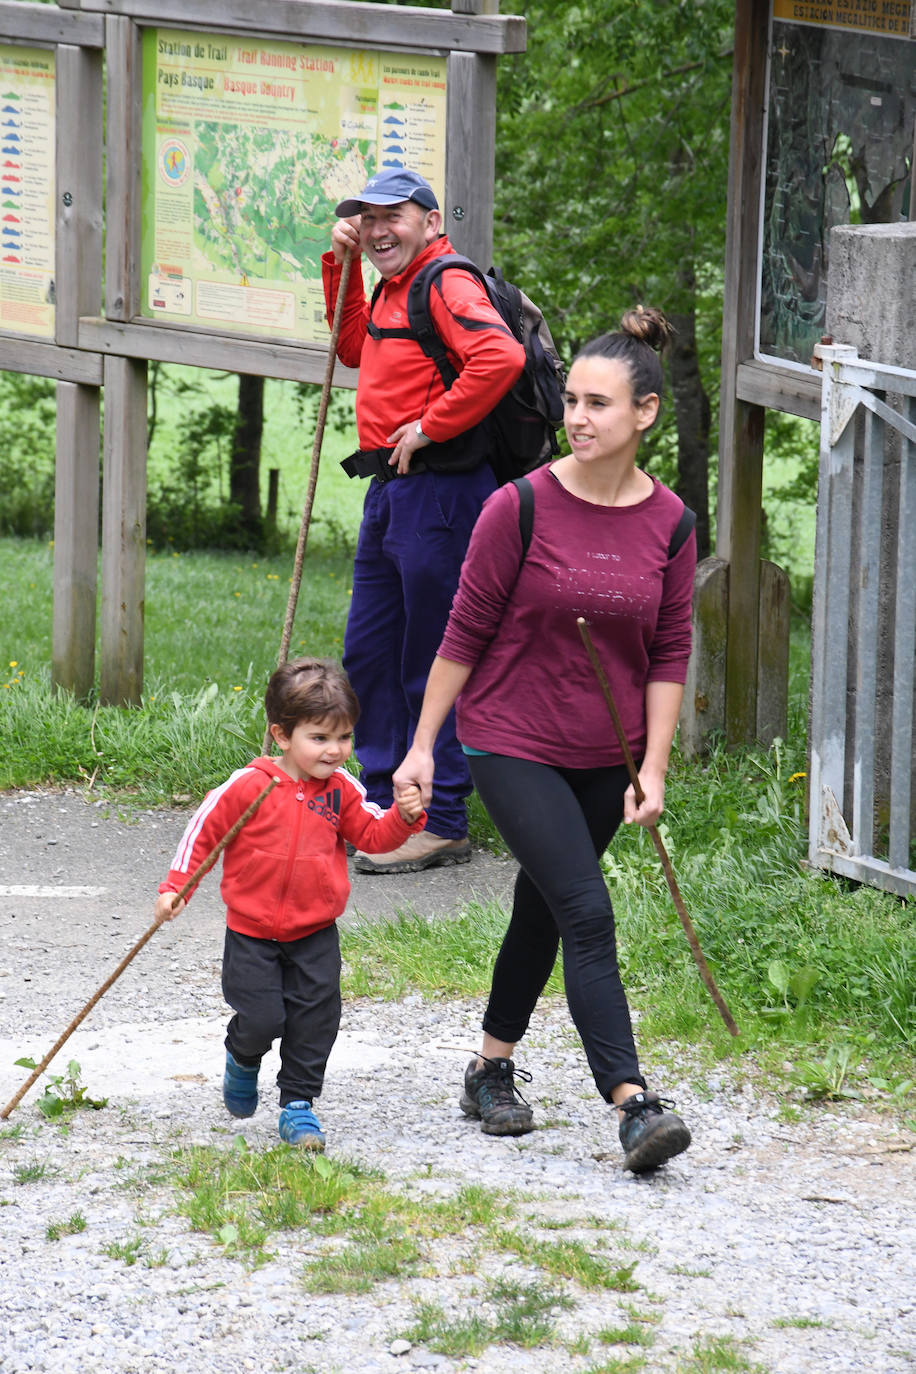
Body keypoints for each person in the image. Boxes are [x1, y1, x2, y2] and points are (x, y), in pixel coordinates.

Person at [393, 308, 696, 1173]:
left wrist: (655, 768)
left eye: (599, 404)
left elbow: (670, 650)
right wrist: (423, 746)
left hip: (609, 754)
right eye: (571, 401)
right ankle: (633, 1103)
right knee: (587, 911)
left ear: (643, 414)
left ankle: (489, 1069)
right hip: (511, 736)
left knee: (545, 903)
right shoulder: (517, 506)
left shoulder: (670, 523)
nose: (578, 417)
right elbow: (463, 631)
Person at [321, 167, 525, 875]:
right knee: (371, 653)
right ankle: (382, 806)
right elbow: (353, 349)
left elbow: (501, 355)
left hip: (440, 495)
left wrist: (430, 428)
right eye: (366, 217)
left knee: (429, 661)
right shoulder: (391, 285)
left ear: (431, 222)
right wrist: (340, 265)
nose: (378, 228)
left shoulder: (445, 280)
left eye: (393, 215)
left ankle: (439, 819)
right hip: (392, 493)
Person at [154, 658, 425, 1150]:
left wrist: (404, 820)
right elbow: (203, 835)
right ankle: (242, 1055)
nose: (335, 750)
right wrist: (177, 887)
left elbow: (373, 835)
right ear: (281, 736)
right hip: (252, 932)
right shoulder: (248, 787)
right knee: (262, 1019)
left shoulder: (344, 791)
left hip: (314, 932)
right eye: (319, 738)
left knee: (316, 1021)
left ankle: (298, 1107)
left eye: (343, 737)